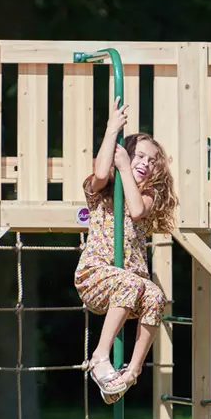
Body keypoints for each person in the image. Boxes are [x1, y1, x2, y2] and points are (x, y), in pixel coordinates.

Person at [73, 98, 180, 402]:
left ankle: (130, 373)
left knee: (157, 296)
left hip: (129, 287)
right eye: (140, 156)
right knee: (130, 282)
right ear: (124, 154)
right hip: (96, 277)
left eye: (152, 161)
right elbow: (102, 172)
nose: (145, 163)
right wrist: (111, 131)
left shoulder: (149, 197)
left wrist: (126, 166)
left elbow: (135, 209)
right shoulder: (100, 194)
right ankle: (100, 358)